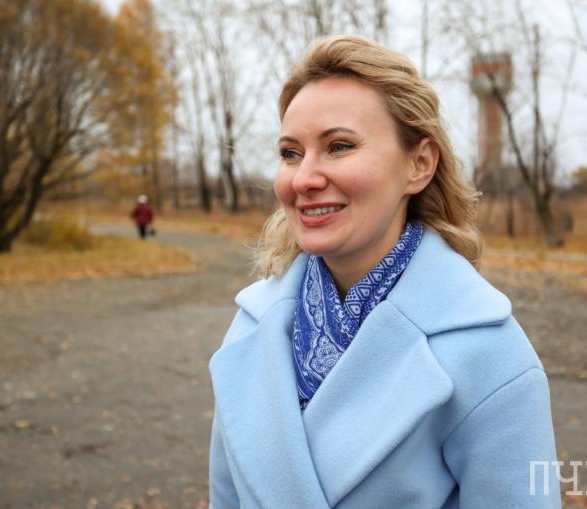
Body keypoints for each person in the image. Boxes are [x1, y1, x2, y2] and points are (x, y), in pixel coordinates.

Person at [208, 35, 561, 508]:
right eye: (291, 153)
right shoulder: (252, 327)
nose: (304, 178)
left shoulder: (491, 355)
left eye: (339, 146)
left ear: (419, 165)